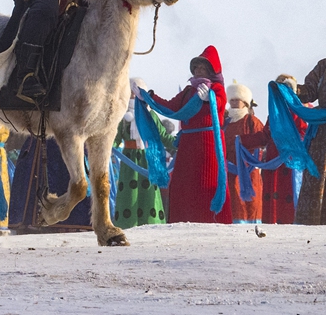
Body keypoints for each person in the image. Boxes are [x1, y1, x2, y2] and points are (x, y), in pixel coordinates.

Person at [142, 46, 232, 224]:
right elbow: (171, 106)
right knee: (184, 183)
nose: (198, 71)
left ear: (211, 70)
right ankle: (182, 219)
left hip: (209, 145)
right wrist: (149, 96)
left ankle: (211, 219)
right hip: (188, 145)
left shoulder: (217, 89)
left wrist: (211, 98)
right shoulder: (188, 92)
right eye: (196, 68)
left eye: (202, 68)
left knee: (207, 182)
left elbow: (221, 105)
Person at [239, 73, 305, 224]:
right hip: (273, 160)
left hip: (291, 162)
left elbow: (304, 131)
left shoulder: (300, 110)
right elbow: (265, 136)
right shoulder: (274, 114)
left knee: (289, 193)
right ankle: (272, 222)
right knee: (273, 193)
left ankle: (290, 222)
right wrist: (242, 141)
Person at [113, 78, 175, 228]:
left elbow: (163, 136)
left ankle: (150, 221)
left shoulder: (151, 115)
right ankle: (128, 222)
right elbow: (114, 138)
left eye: (136, 93)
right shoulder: (122, 117)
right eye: (131, 93)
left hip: (149, 158)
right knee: (130, 190)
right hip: (129, 159)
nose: (133, 96)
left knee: (149, 189)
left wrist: (181, 143)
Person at [221, 80, 264, 224]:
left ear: (245, 102)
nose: (233, 103)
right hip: (229, 169)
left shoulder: (252, 121)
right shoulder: (225, 122)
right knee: (232, 201)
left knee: (250, 203)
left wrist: (242, 143)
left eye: (236, 100)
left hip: (248, 169)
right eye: (231, 100)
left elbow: (262, 141)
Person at [296, 60, 326, 224]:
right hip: (322, 135)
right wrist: (293, 88)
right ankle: (314, 223)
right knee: (317, 178)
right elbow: (309, 91)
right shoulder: (323, 66)